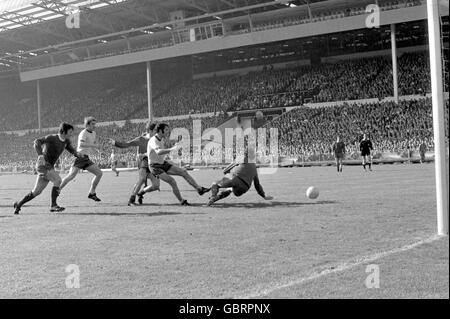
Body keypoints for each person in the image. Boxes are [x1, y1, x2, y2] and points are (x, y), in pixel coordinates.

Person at [13, 123, 81, 214]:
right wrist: (40, 155)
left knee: (36, 191)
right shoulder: (52, 138)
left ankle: (18, 205)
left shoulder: (66, 141)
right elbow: (37, 142)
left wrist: (77, 154)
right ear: (64, 131)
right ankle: (53, 205)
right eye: (70, 131)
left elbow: (71, 150)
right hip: (43, 164)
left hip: (49, 166)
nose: (72, 133)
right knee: (57, 180)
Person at [137, 123, 210, 205]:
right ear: (161, 130)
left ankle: (199, 189)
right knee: (172, 181)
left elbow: (154, 152)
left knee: (183, 172)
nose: (168, 132)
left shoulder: (161, 139)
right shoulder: (154, 140)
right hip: (155, 167)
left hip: (162, 163)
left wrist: (175, 147)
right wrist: (172, 149)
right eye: (166, 130)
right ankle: (182, 201)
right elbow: (158, 152)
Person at [207, 135, 273, 206]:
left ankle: (213, 196)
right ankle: (216, 198)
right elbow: (257, 185)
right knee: (230, 189)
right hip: (244, 189)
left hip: (235, 179)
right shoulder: (254, 167)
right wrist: (264, 196)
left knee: (215, 184)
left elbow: (225, 170)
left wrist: (233, 169)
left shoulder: (241, 158)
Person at [108, 121, 160, 206]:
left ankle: (140, 193)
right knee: (142, 179)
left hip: (152, 163)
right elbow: (127, 144)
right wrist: (115, 143)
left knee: (156, 185)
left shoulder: (156, 140)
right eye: (155, 130)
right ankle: (131, 200)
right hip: (143, 162)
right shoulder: (141, 139)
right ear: (150, 130)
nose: (157, 132)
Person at [59, 116, 103, 201]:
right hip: (80, 157)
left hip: (86, 158)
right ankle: (57, 190)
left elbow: (91, 146)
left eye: (95, 124)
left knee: (99, 173)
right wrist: (94, 145)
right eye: (93, 124)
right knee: (71, 176)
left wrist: (98, 152)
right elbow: (81, 145)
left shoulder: (93, 133)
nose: (95, 126)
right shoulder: (83, 133)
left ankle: (92, 193)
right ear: (87, 125)